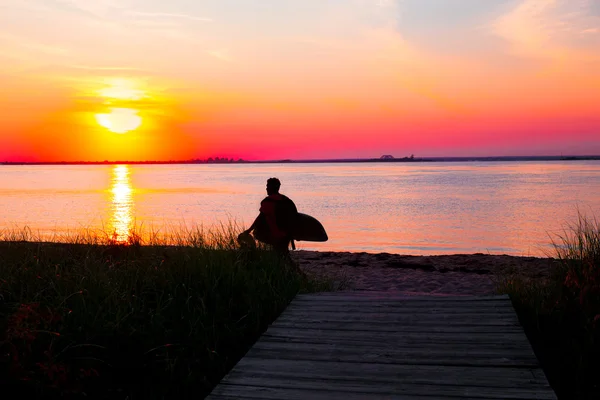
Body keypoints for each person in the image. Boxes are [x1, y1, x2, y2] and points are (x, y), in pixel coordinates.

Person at [242, 177, 299, 267]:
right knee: (283, 256)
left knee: (281, 255)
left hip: (275, 234)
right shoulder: (287, 200)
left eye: (268, 186)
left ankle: (294, 274)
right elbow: (295, 217)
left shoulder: (268, 201)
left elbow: (260, 218)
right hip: (287, 234)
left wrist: (248, 231)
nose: (266, 188)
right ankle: (294, 273)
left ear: (272, 188)